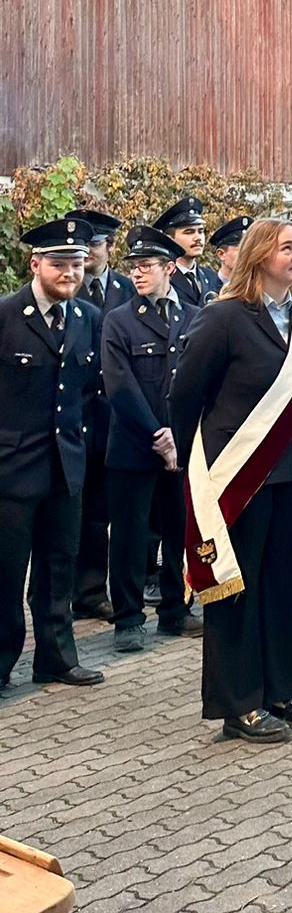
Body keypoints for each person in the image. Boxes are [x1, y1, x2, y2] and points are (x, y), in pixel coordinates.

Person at [171, 218, 292, 743]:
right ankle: (238, 703)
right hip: (238, 473)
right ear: (259, 255)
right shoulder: (224, 319)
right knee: (236, 584)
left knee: (283, 583)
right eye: (286, 247)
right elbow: (185, 395)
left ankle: (279, 690)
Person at [0, 215, 105, 691]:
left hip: (66, 467)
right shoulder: (5, 316)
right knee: (5, 573)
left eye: (78, 264)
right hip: (12, 471)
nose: (70, 273)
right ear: (35, 263)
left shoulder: (87, 318)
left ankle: (57, 658)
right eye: (60, 264)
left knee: (58, 566)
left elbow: (91, 394)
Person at [101, 225, 196, 651]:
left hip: (182, 446)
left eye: (147, 267)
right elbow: (120, 386)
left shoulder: (194, 316)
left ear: (170, 268)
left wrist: (179, 434)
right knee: (130, 534)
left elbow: (198, 383)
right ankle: (127, 618)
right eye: (134, 267)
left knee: (178, 529)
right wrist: (159, 435)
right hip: (134, 448)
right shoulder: (119, 321)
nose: (137, 274)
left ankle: (175, 610)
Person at [73, 210, 131, 623]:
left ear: (109, 246)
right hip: (76, 421)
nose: (87, 252)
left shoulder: (128, 289)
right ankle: (77, 592)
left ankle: (100, 591)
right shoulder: (64, 288)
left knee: (106, 515)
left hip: (117, 421)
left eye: (95, 244)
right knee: (75, 516)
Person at [153, 197, 222, 309]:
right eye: (189, 232)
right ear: (170, 239)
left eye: (200, 231)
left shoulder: (211, 277)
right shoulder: (161, 279)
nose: (198, 238)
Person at [210, 215, 252, 287]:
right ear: (221, 254)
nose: (247, 254)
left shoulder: (257, 290)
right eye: (241, 250)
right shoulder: (207, 288)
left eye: (250, 249)